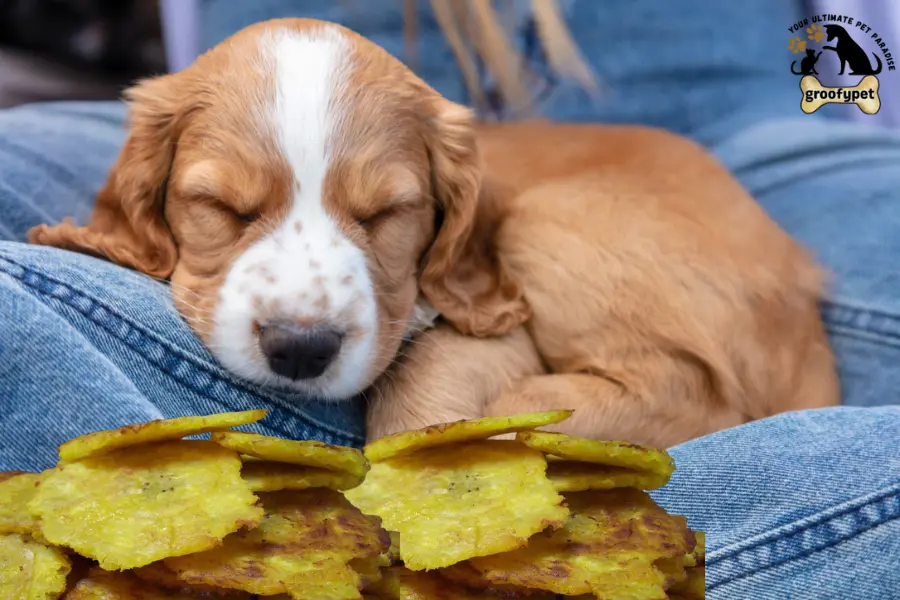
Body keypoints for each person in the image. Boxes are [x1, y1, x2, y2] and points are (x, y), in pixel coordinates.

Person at [0, 1, 897, 597]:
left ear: (445, 227)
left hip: (739, 136)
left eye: (382, 215)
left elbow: (860, 40)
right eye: (226, 209)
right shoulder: (171, 125)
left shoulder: (478, 205)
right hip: (239, 90)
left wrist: (845, 102)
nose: (304, 309)